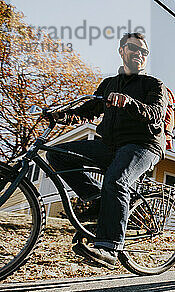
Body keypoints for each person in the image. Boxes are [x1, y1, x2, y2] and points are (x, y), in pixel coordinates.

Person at [47, 32, 168, 268]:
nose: (139, 54)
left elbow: (155, 113)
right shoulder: (108, 84)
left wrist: (130, 102)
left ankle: (109, 247)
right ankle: (98, 200)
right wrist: (61, 115)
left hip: (143, 145)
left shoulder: (153, 84)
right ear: (121, 50)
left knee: (116, 180)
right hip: (110, 145)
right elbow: (88, 110)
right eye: (133, 48)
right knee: (57, 154)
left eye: (144, 51)